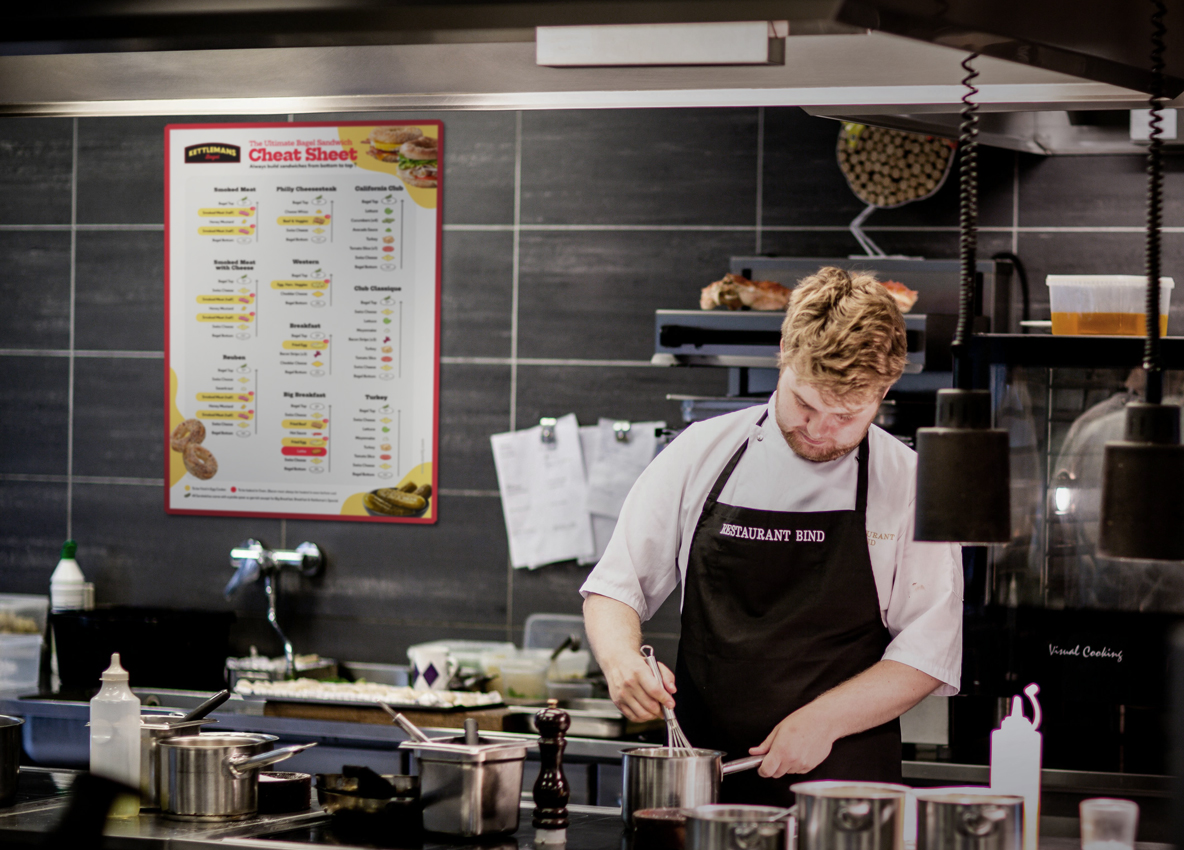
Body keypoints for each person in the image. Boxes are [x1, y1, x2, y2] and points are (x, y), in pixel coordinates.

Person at [581, 267, 963, 804]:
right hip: (705, 783)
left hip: (845, 794)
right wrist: (621, 660)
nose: (819, 430)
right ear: (783, 351)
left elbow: (928, 651)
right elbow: (615, 587)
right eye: (805, 404)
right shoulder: (701, 453)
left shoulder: (908, 483)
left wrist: (824, 720)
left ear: (885, 388)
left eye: (847, 415)